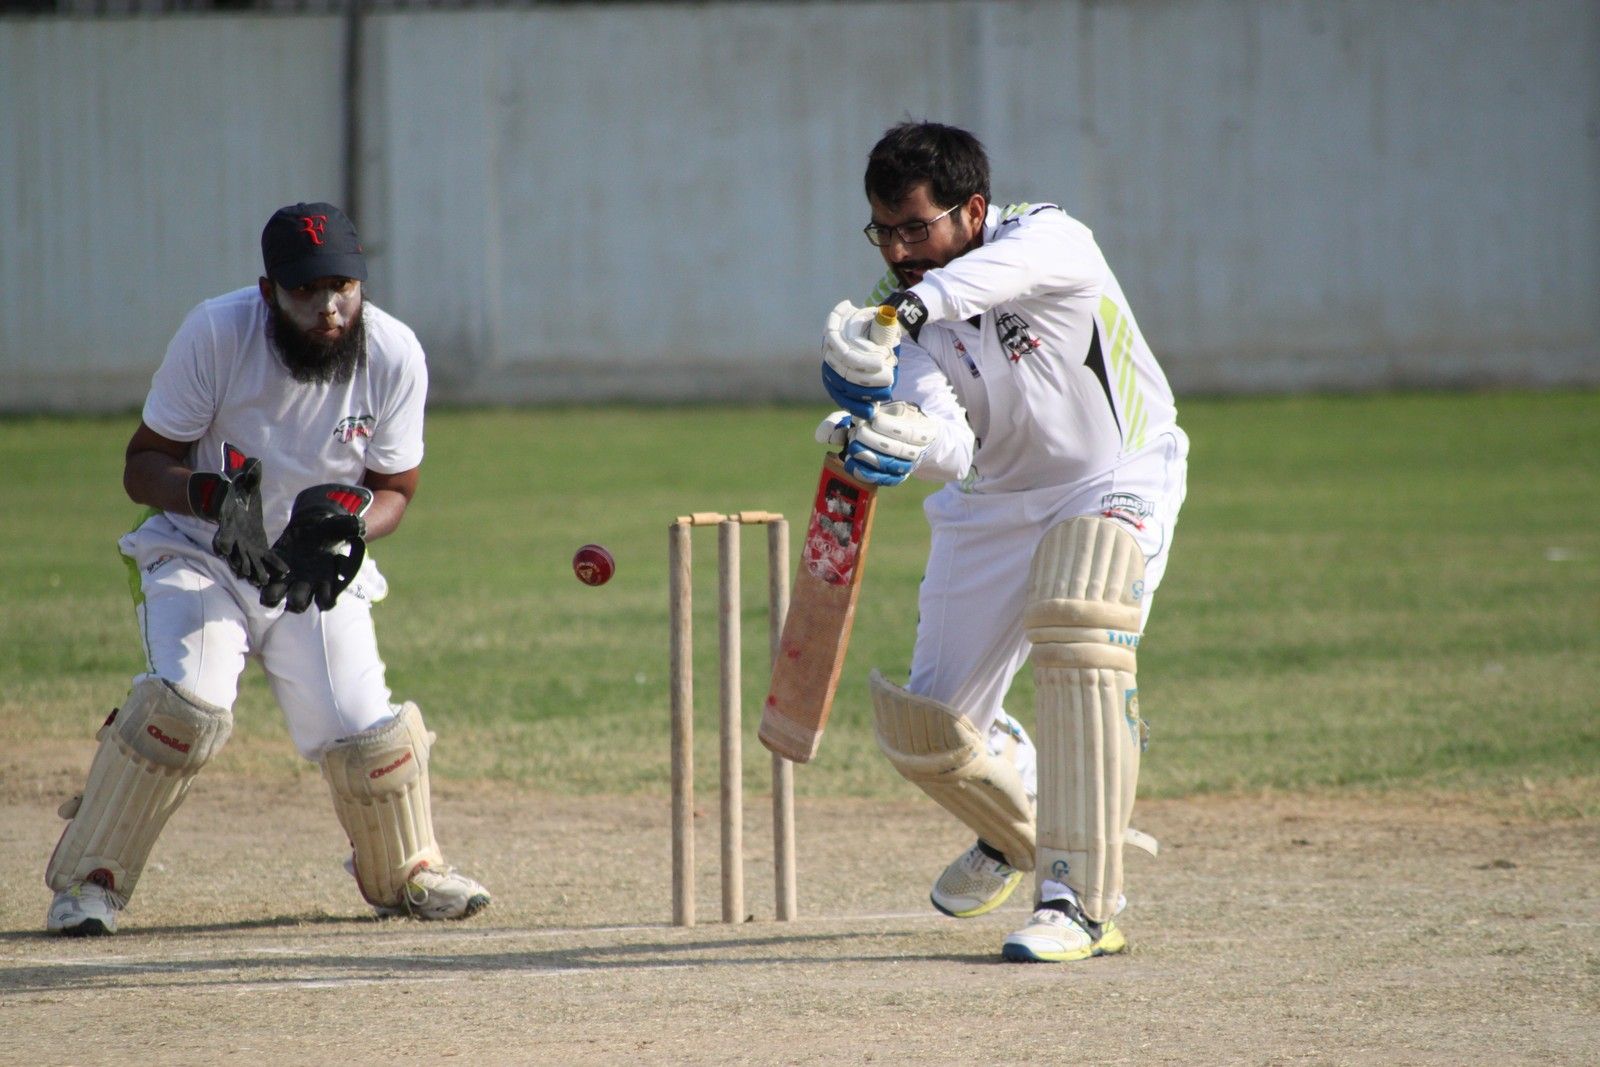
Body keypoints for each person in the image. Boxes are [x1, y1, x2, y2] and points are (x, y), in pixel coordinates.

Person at [44, 202, 490, 936]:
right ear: (267, 291)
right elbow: (142, 464)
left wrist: (350, 526)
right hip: (203, 551)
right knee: (185, 707)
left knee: (364, 731)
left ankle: (406, 871)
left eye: (342, 286)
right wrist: (209, 496)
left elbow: (396, 490)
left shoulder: (394, 353)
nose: (328, 308)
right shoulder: (217, 333)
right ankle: (92, 879)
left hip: (311, 567)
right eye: (304, 290)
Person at [819, 123, 1188, 963]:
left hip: (1115, 473)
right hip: (994, 503)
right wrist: (896, 436)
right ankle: (1021, 813)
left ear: (974, 210)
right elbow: (953, 445)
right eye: (884, 230)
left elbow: (979, 282)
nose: (899, 251)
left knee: (1081, 617)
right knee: (930, 731)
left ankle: (1079, 901)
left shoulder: (1050, 239)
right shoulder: (904, 317)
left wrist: (907, 307)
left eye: (916, 228)